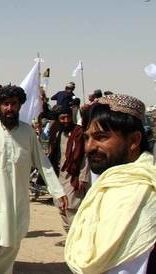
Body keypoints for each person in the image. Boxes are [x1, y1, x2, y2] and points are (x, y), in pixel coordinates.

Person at [0, 85, 67, 274]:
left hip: (15, 204)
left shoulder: (28, 133)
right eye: (5, 104)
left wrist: (57, 192)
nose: (9, 108)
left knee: (9, 248)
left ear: (20, 106)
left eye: (13, 104)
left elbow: (43, 163)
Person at [65, 94, 156, 274]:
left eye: (101, 137)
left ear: (133, 141)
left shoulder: (148, 190)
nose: (89, 147)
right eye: (87, 138)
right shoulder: (105, 187)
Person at [47, 105, 90, 235]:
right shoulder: (58, 133)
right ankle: (69, 236)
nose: (66, 120)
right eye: (62, 118)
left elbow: (85, 157)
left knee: (72, 207)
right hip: (60, 176)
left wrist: (83, 177)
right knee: (61, 206)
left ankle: (76, 238)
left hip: (74, 176)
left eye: (68, 117)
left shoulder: (79, 133)